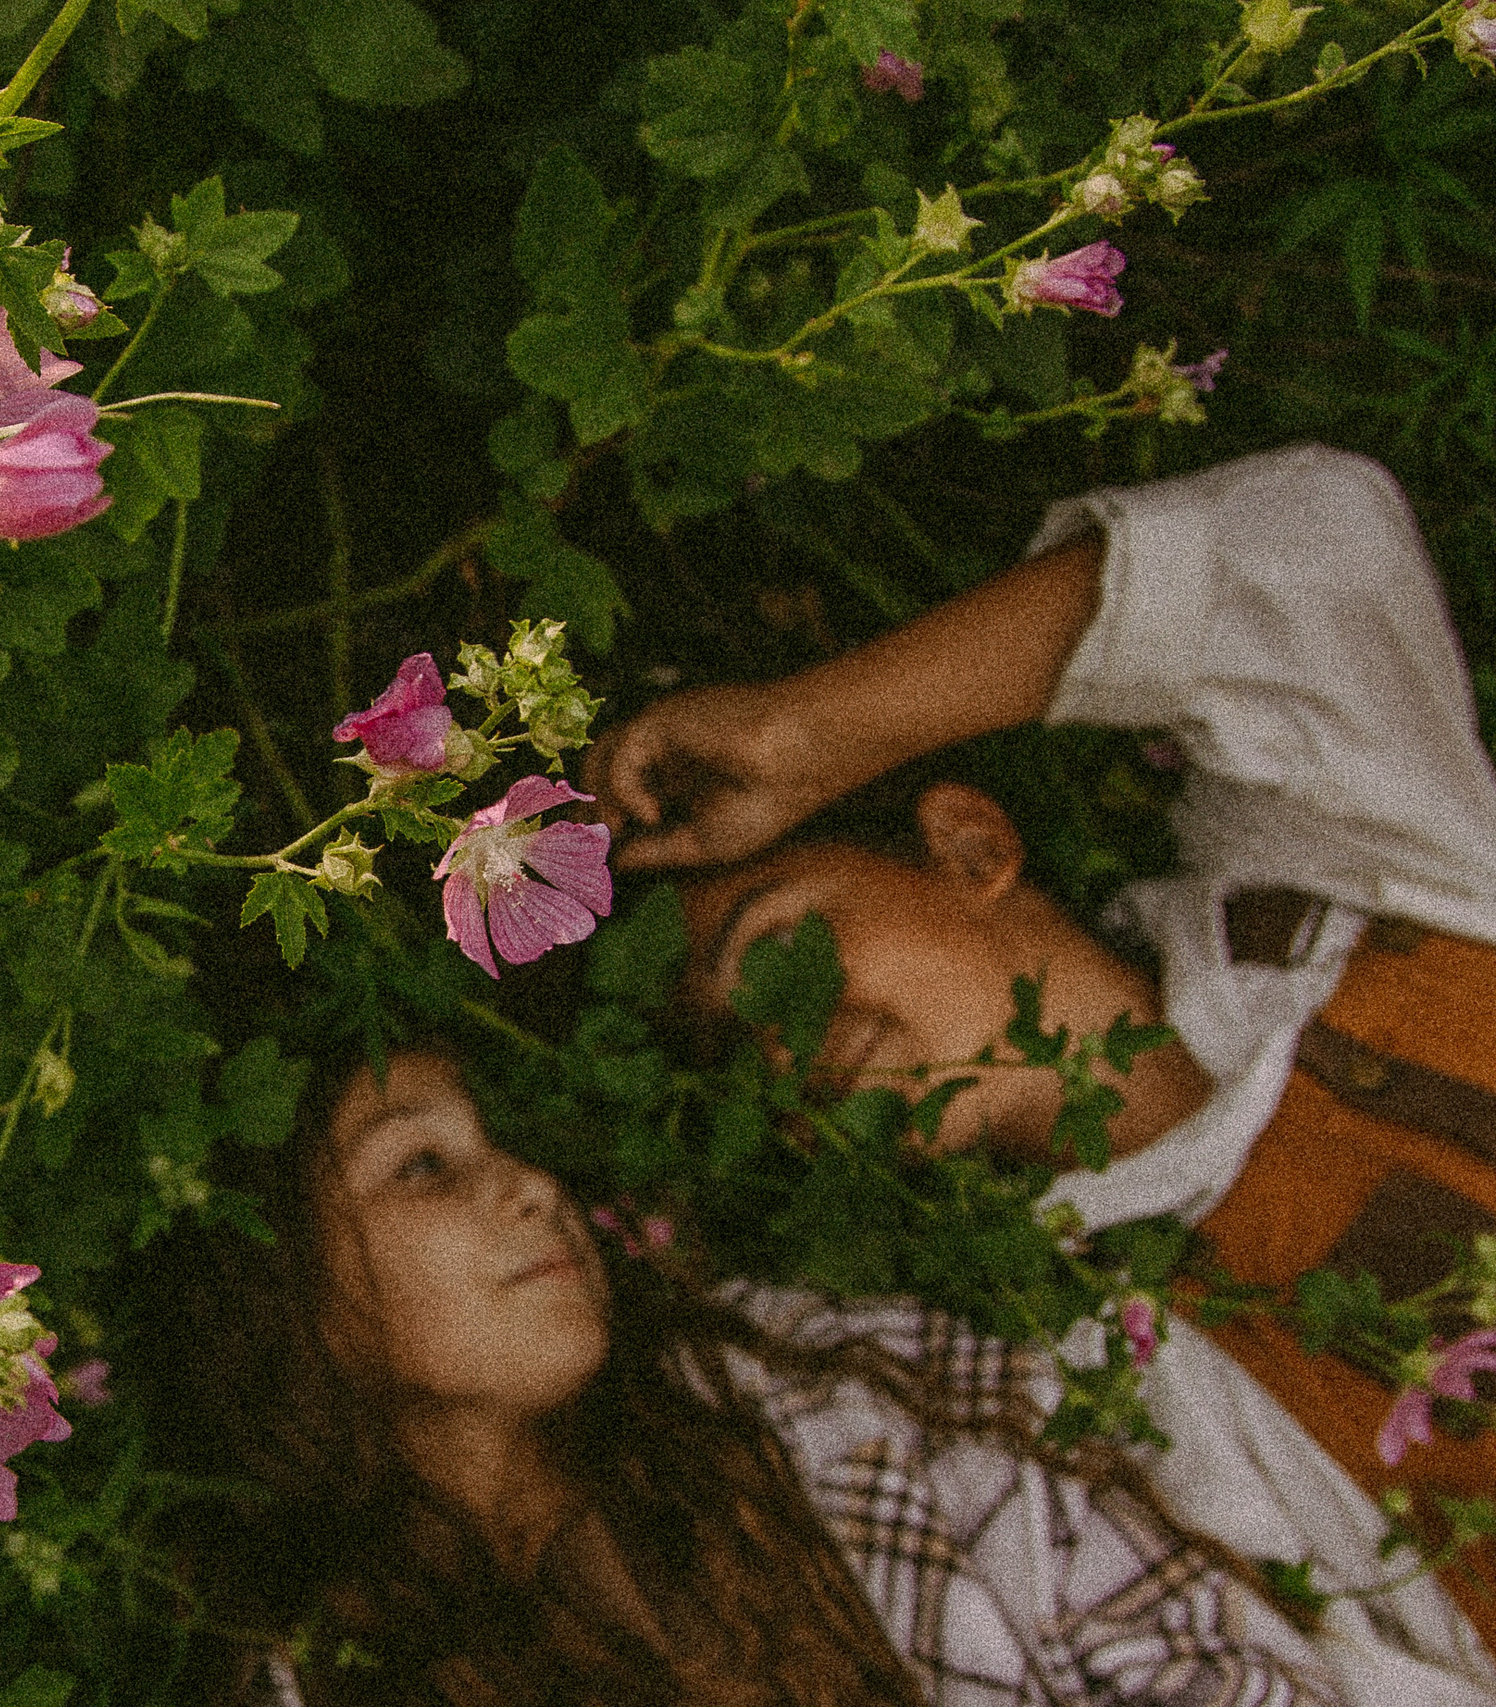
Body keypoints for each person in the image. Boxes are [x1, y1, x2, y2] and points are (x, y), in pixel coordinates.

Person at [581, 443, 1496, 1702]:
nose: (784, 1048)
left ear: (969, 846)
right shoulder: (1095, 1375)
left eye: (782, 945)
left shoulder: (1341, 896)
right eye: (736, 1057)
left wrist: (813, 733)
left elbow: (1310, 543)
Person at [166, 1047, 1344, 1706]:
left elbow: (1214, 1666)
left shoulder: (829, 1387)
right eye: (422, 1166)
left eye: (500, 1143)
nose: (530, 1186)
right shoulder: (328, 1681)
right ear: (289, 1295)